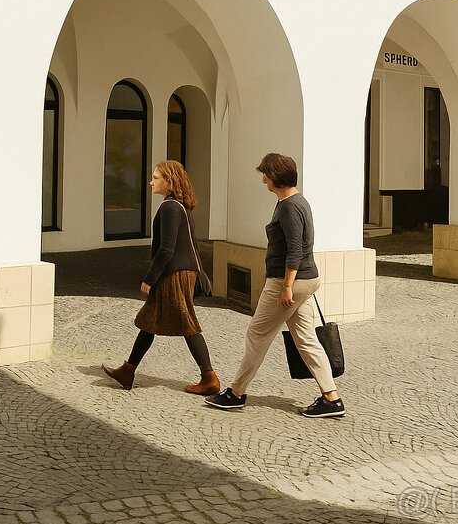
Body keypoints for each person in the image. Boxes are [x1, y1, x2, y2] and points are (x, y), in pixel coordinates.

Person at [206, 153, 345, 418]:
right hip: (305, 279)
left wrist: (286, 287)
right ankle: (331, 398)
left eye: (265, 174)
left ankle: (235, 394)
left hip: (290, 281)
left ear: (275, 176)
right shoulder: (296, 201)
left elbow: (295, 250)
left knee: (257, 334)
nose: (263, 179)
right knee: (305, 338)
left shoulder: (290, 206)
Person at [101, 161, 218, 395]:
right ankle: (128, 370)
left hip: (173, 274)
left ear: (169, 181)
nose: (151, 182)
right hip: (181, 272)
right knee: (149, 321)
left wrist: (150, 278)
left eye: (156, 178)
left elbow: (167, 249)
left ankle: (209, 378)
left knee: (187, 323)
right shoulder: (180, 207)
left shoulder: (170, 208)